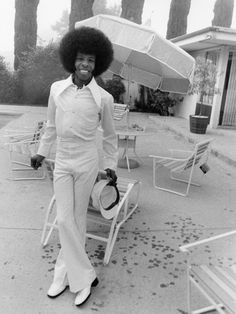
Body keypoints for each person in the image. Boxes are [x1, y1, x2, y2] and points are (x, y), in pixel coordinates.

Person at [31, 26, 118, 306]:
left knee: (76, 220)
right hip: (63, 160)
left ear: (98, 64)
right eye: (81, 58)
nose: (85, 64)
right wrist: (42, 153)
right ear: (72, 59)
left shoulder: (103, 98)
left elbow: (110, 136)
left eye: (91, 60)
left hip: (87, 161)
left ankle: (63, 275)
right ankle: (85, 276)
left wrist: (111, 165)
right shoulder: (57, 89)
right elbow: (51, 125)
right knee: (65, 219)